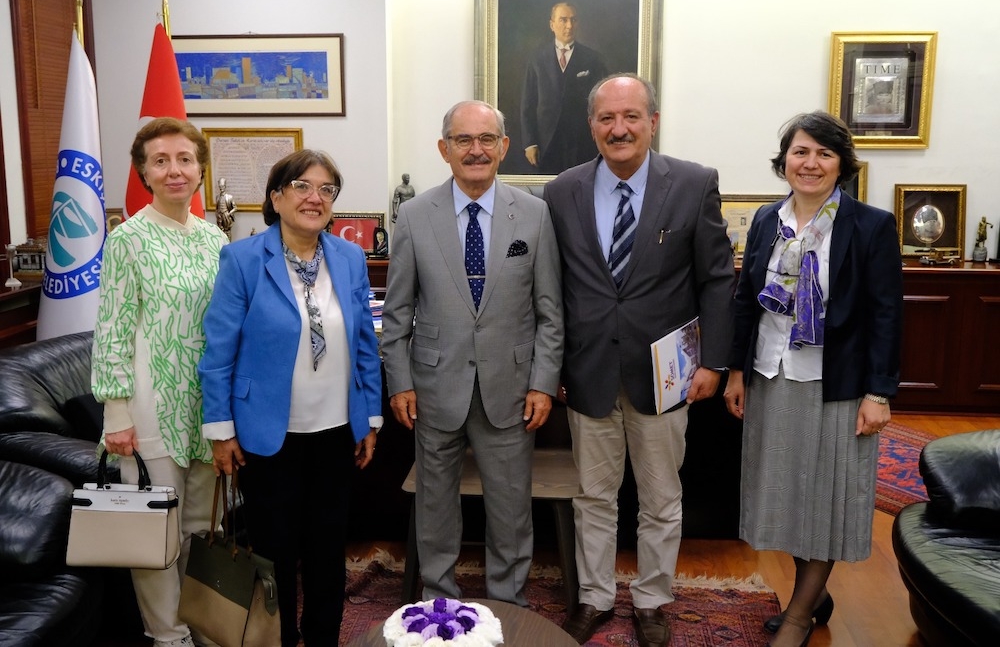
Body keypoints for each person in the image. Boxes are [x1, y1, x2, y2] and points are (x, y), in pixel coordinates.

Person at [544, 74, 734, 647]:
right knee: (593, 496)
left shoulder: (694, 183)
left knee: (660, 497)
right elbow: (553, 287)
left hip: (667, 375)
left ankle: (652, 600)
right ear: (592, 126)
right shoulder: (561, 191)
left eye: (631, 116)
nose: (619, 128)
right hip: (588, 372)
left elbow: (717, 279)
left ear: (653, 121)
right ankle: (595, 596)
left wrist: (714, 362)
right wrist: (552, 369)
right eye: (607, 118)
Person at [723, 111, 903, 647]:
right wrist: (736, 371)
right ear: (784, 161)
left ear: (842, 165)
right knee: (789, 495)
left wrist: (878, 392)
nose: (811, 163)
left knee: (825, 496)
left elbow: (886, 313)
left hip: (837, 383)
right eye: (800, 152)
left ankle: (799, 616)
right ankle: (815, 594)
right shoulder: (766, 220)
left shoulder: (870, 225)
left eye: (825, 154)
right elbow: (746, 300)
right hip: (771, 373)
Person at [381, 100, 563, 605]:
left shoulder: (535, 214)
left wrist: (543, 383)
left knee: (511, 507)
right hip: (433, 388)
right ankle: (438, 598)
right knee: (435, 504)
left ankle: (508, 600)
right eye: (463, 140)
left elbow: (550, 312)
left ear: (504, 147)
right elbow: (397, 313)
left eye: (487, 139)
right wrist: (400, 382)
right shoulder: (414, 216)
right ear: (445, 149)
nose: (476, 150)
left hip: (511, 389)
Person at [198, 149, 382, 646]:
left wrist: (370, 417)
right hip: (266, 434)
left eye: (326, 189)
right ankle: (277, 638)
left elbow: (364, 341)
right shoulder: (242, 259)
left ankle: (323, 638)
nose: (314, 198)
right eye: (302, 186)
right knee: (274, 552)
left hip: (335, 431)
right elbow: (218, 351)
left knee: (327, 550)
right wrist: (220, 430)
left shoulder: (349, 257)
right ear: (276, 197)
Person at [91, 117, 228, 647]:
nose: (175, 170)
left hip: (206, 407)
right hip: (150, 406)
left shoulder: (215, 239)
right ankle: (168, 636)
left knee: (200, 529)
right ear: (144, 173)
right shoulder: (127, 239)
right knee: (157, 532)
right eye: (161, 161)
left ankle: (198, 624)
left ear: (200, 170)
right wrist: (116, 412)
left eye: (185, 159)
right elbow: (113, 329)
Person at [521, 2, 608, 173]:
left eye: (573, 20)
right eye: (563, 20)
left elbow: (603, 104)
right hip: (546, 142)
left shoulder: (593, 59)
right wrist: (530, 143)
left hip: (581, 142)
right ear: (552, 24)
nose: (569, 25)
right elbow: (528, 104)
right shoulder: (537, 58)